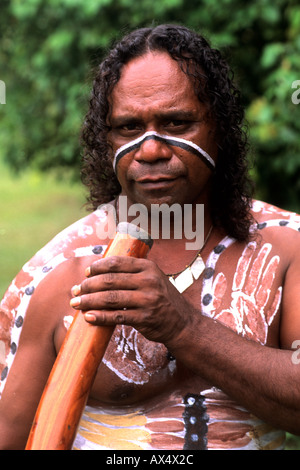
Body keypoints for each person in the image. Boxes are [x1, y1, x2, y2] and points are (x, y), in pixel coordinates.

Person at [0, 24, 300, 451]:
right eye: (127, 128)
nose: (151, 150)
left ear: (220, 129)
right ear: (105, 141)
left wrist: (183, 326)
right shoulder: (58, 278)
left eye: (177, 123)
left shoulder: (285, 251)